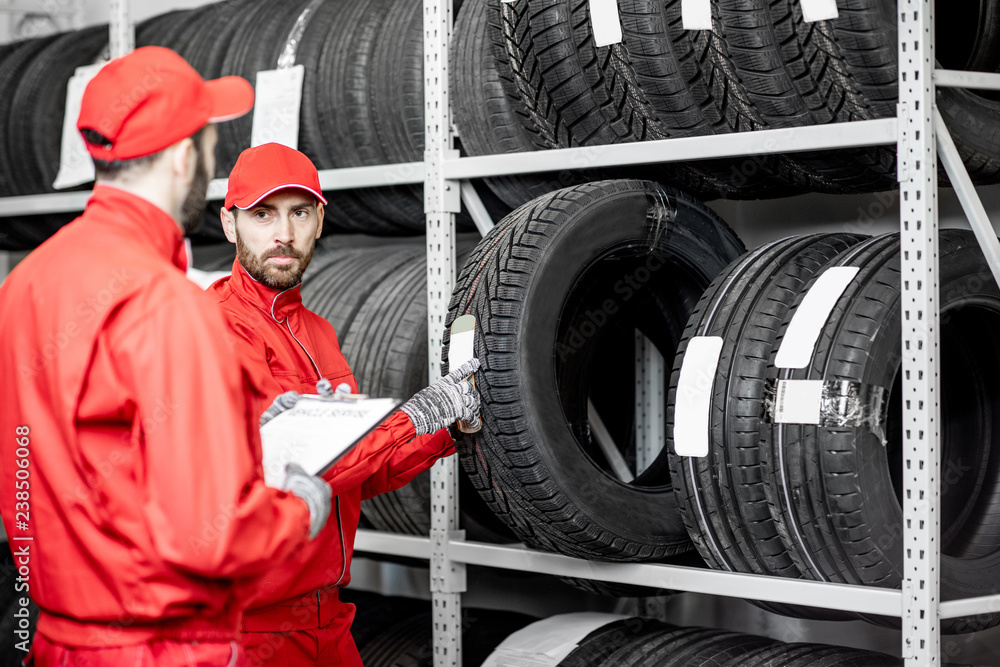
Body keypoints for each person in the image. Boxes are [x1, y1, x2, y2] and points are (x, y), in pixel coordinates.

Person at [0, 48, 333, 666]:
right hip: (163, 649)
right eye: (206, 147)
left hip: (56, 640)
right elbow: (208, 534)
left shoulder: (26, 282)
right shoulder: (168, 304)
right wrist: (301, 509)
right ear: (185, 156)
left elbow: (38, 459)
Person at [210, 142, 480, 667]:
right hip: (252, 630)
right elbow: (290, 468)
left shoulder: (318, 334)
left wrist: (448, 429)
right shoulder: (219, 329)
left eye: (299, 213)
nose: (283, 234)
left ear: (319, 222)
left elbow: (356, 473)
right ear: (229, 225)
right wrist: (419, 412)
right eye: (262, 215)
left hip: (327, 619)